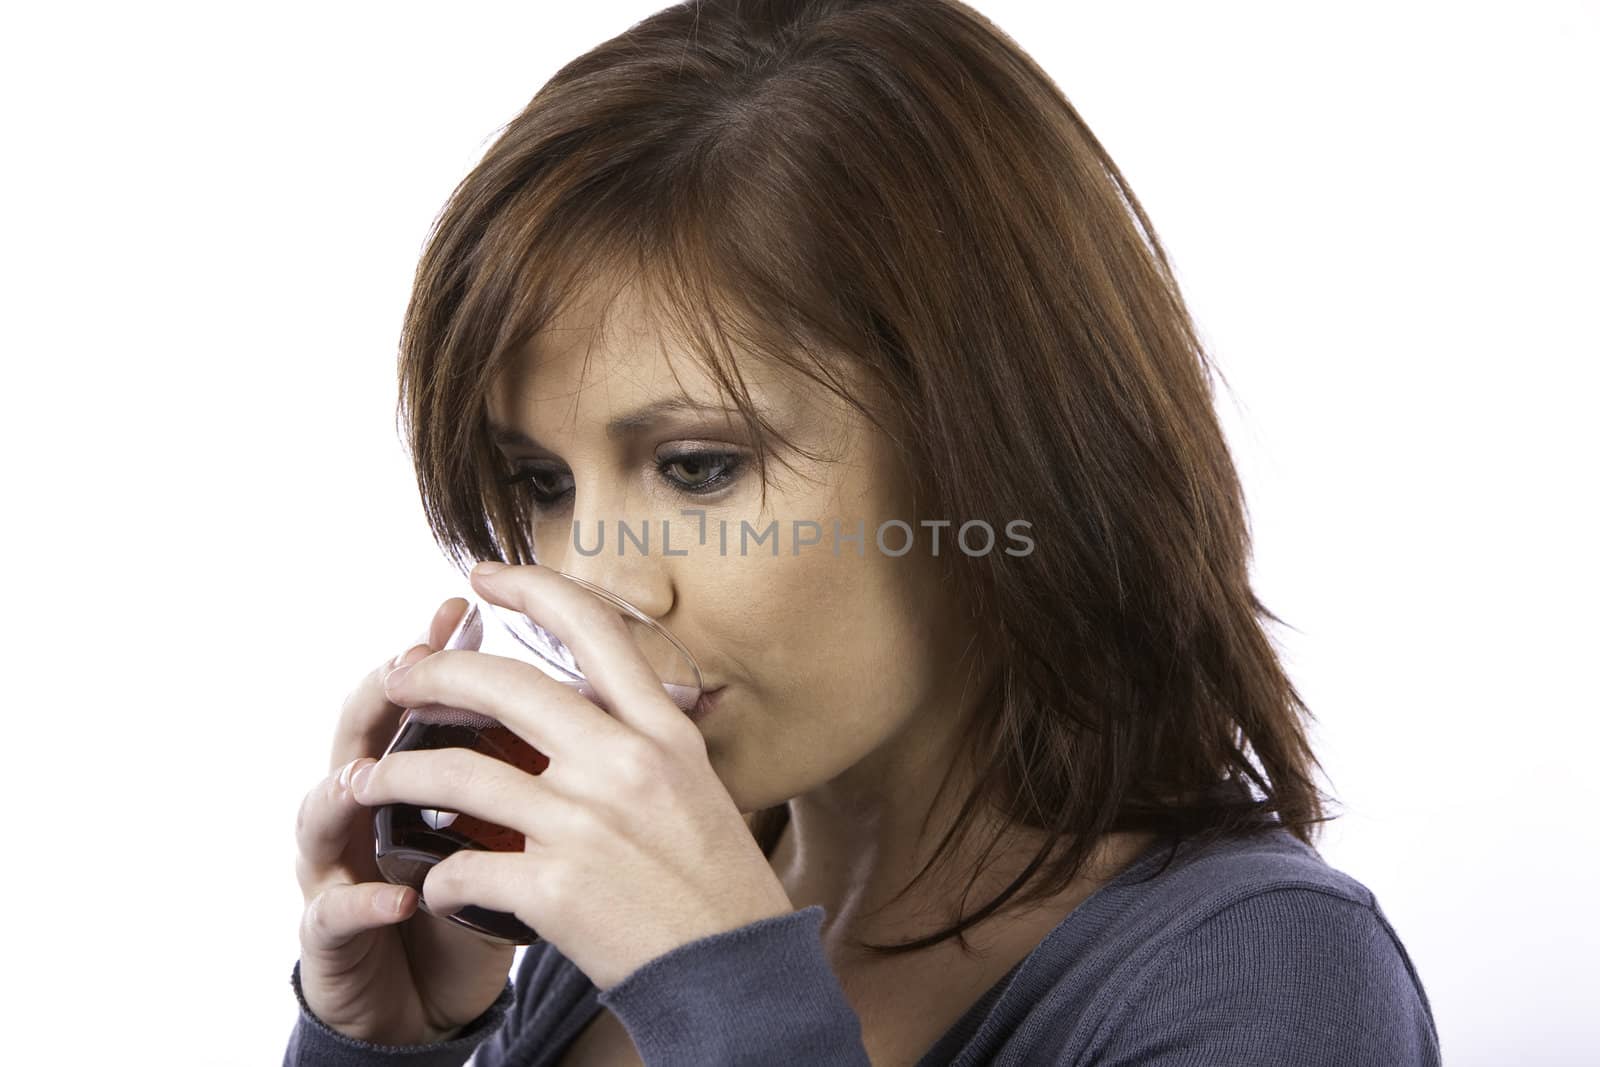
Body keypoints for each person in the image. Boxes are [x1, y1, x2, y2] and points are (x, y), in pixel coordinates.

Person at [285, 1, 1442, 1063]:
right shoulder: (598, 937)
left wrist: (722, 990)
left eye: (698, 466)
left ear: (994, 452)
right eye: (540, 480)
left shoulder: (1260, 977)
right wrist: (401, 1041)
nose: (591, 579)